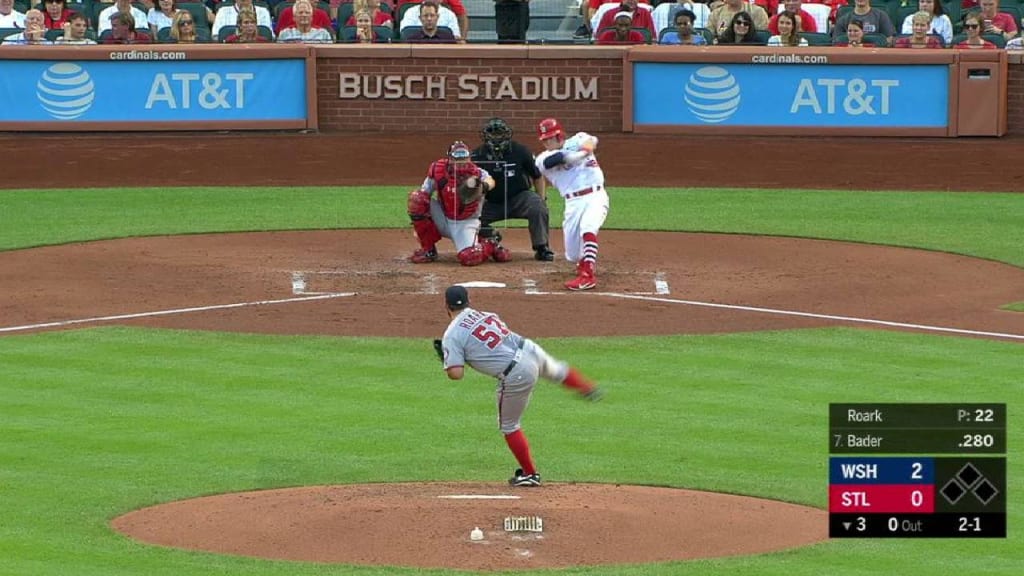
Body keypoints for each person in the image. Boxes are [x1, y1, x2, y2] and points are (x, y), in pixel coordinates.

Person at [437, 285, 603, 487]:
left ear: (446, 305)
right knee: (557, 371)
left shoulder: (452, 335)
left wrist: (445, 360)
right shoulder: (486, 314)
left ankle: (530, 474)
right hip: (530, 350)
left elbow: (456, 374)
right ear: (468, 300)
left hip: (516, 373)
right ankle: (587, 387)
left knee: (509, 425)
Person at [407, 140, 512, 266]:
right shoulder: (438, 170)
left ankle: (490, 244)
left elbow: (491, 182)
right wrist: (420, 227)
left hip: (465, 224)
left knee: (470, 257)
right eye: (457, 158)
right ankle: (428, 250)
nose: (461, 162)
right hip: (442, 217)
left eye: (464, 158)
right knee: (417, 199)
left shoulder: (477, 174)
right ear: (450, 159)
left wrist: (483, 186)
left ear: (469, 158)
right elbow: (424, 193)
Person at [535, 118, 609, 291]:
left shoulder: (579, 138)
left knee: (588, 228)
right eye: (544, 139)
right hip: (573, 203)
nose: (547, 142)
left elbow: (592, 140)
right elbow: (566, 158)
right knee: (574, 254)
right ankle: (582, 262)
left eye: (550, 137)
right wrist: (584, 152)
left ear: (560, 135)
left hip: (596, 195)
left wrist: (588, 145)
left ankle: (587, 275)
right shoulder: (543, 159)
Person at [471, 117, 554, 263]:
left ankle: (542, 247)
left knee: (538, 206)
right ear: (485, 136)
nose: (496, 138)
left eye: (499, 134)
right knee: (469, 216)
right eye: (492, 134)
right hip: (490, 202)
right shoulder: (477, 156)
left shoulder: (520, 151)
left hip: (519, 198)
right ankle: (490, 236)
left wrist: (542, 199)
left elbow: (537, 176)